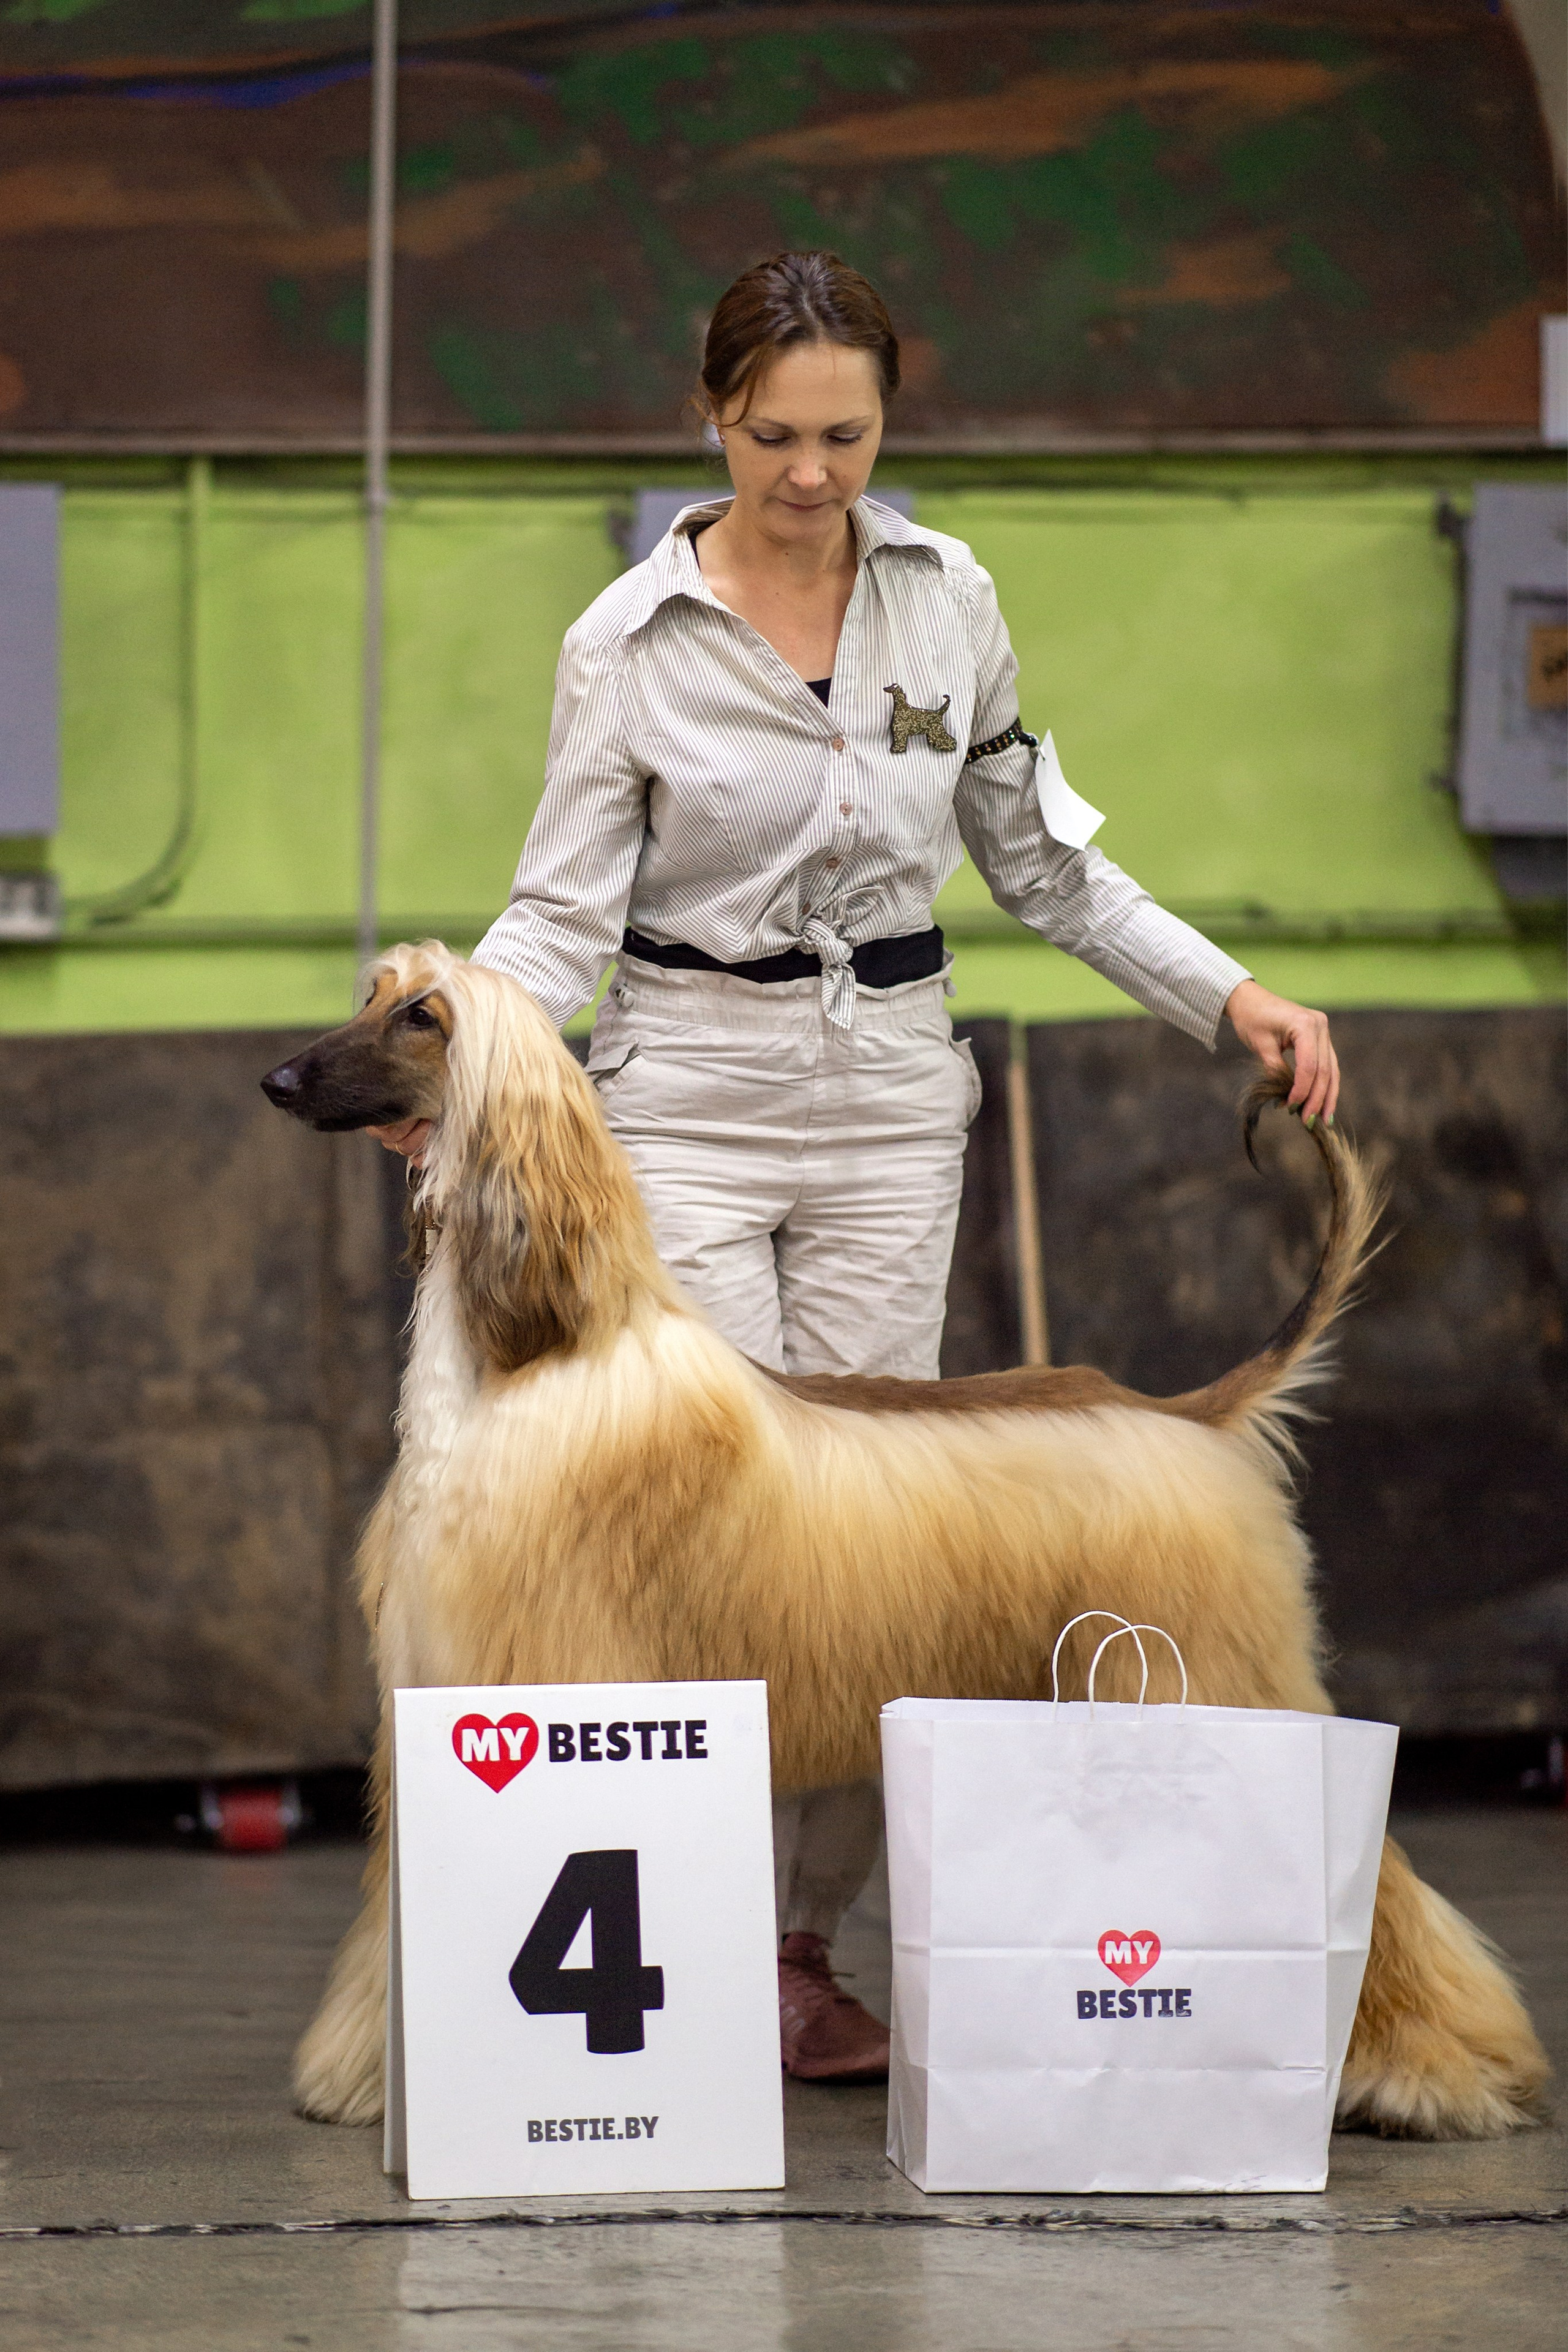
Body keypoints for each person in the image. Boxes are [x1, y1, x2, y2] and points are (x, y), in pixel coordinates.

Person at [371, 250, 1340, 2084]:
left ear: (889, 416)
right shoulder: (630, 641)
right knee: (726, 1554)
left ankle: (805, 1957)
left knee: (876, 1572)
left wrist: (1232, 999)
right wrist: (470, 1071)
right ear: (709, 417)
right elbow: (561, 918)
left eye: (846, 434)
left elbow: (1045, 867)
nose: (810, 475)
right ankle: (691, 1959)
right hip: (689, 1101)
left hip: (896, 1103)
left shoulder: (949, 600)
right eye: (772, 436)